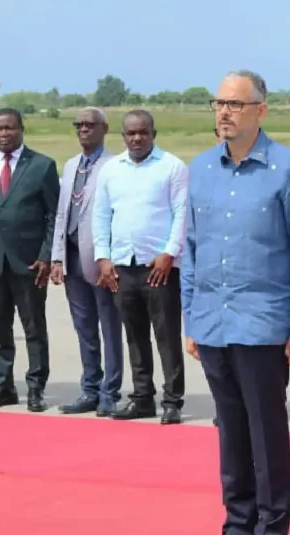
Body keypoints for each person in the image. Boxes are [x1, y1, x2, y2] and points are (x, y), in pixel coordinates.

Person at [184, 70, 290, 535]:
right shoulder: (200, 169)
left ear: (260, 111)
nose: (224, 112)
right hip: (213, 323)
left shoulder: (287, 169)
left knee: (266, 433)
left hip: (264, 323)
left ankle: (270, 534)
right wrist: (192, 319)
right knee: (230, 432)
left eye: (235, 104)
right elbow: (192, 251)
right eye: (218, 103)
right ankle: (236, 530)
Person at [94, 110, 188, 424]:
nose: (137, 138)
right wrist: (103, 258)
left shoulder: (171, 167)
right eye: (131, 133)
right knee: (134, 336)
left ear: (153, 133)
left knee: (166, 336)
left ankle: (172, 400)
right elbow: (101, 216)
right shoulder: (111, 170)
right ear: (122, 136)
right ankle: (142, 397)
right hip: (123, 264)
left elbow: (181, 215)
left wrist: (169, 253)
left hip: (158, 266)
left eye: (143, 133)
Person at [0, 108, 60, 413]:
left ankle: (35, 386)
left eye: (9, 128)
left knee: (33, 327)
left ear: (21, 129)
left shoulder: (42, 166)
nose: (3, 134)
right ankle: (3, 384)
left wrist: (47, 255)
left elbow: (52, 217)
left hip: (29, 262)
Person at [51, 107, 123, 417]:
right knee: (84, 329)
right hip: (72, 256)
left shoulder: (114, 166)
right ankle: (89, 388)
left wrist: (111, 258)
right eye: (79, 125)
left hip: (101, 259)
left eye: (90, 125)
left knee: (109, 327)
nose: (83, 130)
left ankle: (111, 390)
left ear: (104, 129)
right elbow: (62, 213)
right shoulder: (70, 166)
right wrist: (56, 256)